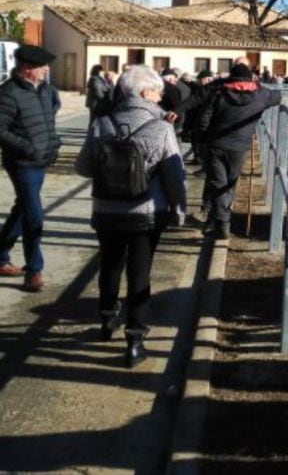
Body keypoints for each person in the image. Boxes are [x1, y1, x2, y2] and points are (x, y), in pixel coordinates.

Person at [75, 66, 186, 367]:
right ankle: (134, 340)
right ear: (146, 93)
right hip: (146, 211)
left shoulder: (101, 123)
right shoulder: (162, 128)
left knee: (110, 265)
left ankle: (106, 320)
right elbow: (175, 178)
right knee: (140, 271)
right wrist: (179, 209)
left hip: (106, 210)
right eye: (159, 91)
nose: (162, 96)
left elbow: (83, 168)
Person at [0, 45, 61, 292]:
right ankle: (33, 270)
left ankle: (1, 255)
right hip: (22, 162)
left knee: (23, 208)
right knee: (34, 214)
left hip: (42, 160)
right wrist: (28, 147)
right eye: (42, 66)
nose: (47, 70)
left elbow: (50, 117)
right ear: (27, 69)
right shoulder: (8, 93)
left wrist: (54, 143)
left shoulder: (47, 90)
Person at [199, 60, 281, 238]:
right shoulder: (261, 94)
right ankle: (221, 219)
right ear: (250, 77)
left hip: (216, 144)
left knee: (217, 183)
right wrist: (257, 83)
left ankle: (220, 220)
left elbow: (204, 118)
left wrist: (204, 139)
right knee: (229, 184)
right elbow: (279, 96)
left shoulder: (219, 93)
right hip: (240, 146)